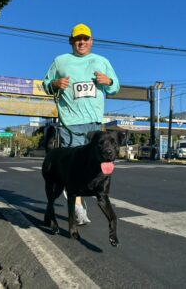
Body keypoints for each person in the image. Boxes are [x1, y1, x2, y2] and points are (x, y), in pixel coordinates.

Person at [43, 23, 120, 225]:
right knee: (74, 169)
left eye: (85, 39)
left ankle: (95, 196)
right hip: (70, 123)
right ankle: (77, 208)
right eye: (78, 39)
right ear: (71, 41)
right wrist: (55, 84)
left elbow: (116, 87)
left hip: (94, 125)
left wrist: (108, 82)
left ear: (91, 41)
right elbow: (45, 84)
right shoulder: (60, 61)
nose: (82, 43)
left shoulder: (102, 61)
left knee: (94, 166)